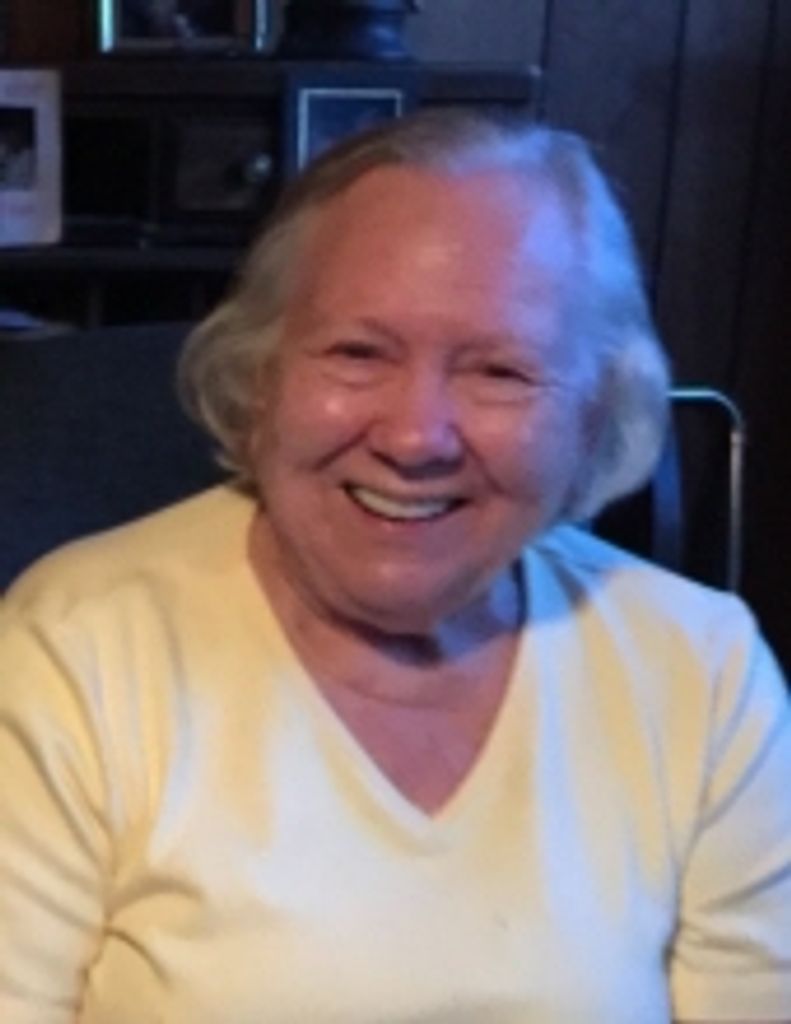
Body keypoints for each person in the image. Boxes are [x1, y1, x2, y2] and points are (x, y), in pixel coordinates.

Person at [1, 109, 789, 1023]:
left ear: (591, 417)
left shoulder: (702, 669)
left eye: (499, 371)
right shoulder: (73, 649)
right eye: (357, 353)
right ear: (262, 379)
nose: (416, 438)